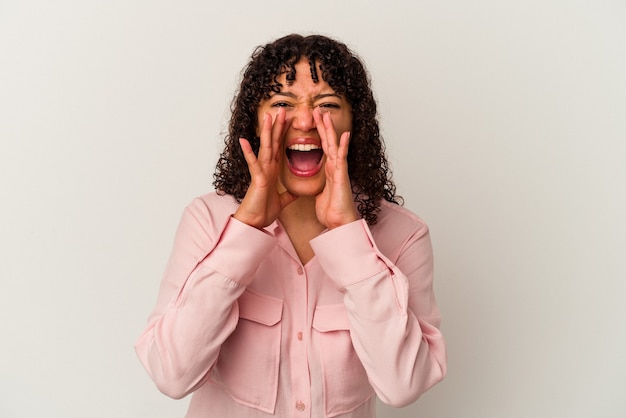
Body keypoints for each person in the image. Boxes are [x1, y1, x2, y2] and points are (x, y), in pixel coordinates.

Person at [135, 33, 447, 418]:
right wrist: (245, 228)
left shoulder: (404, 235)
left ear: (356, 123)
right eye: (282, 103)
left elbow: (403, 385)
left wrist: (349, 235)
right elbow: (171, 375)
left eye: (328, 105)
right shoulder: (207, 220)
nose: (304, 121)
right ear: (255, 121)